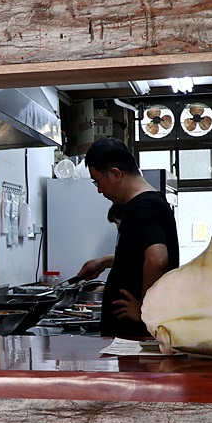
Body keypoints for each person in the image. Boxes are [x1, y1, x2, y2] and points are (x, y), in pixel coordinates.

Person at [75, 137, 179, 338]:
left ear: (115, 174)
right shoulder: (149, 203)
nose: (99, 189)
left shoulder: (142, 207)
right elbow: (141, 255)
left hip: (135, 335)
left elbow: (158, 259)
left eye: (98, 181)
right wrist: (105, 261)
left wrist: (144, 309)